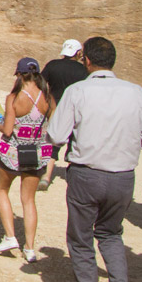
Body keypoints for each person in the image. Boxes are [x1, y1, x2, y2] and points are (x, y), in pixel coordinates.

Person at [46, 36, 142, 282]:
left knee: (81, 240)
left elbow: (56, 136)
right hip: (123, 176)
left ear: (86, 60)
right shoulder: (135, 92)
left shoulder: (78, 91)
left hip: (86, 173)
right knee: (111, 234)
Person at [0, 57, 54, 262]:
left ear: (19, 74)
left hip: (12, 153)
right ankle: (29, 248)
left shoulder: (14, 98)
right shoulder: (48, 97)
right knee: (29, 200)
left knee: (2, 190)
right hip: (37, 154)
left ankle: (10, 237)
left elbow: (8, 130)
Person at [42, 39, 88, 187]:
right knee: (76, 142)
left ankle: (46, 177)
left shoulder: (52, 65)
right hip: (77, 109)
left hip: (56, 108)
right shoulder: (84, 71)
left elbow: (41, 84)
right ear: (78, 53)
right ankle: (73, 177)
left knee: (53, 142)